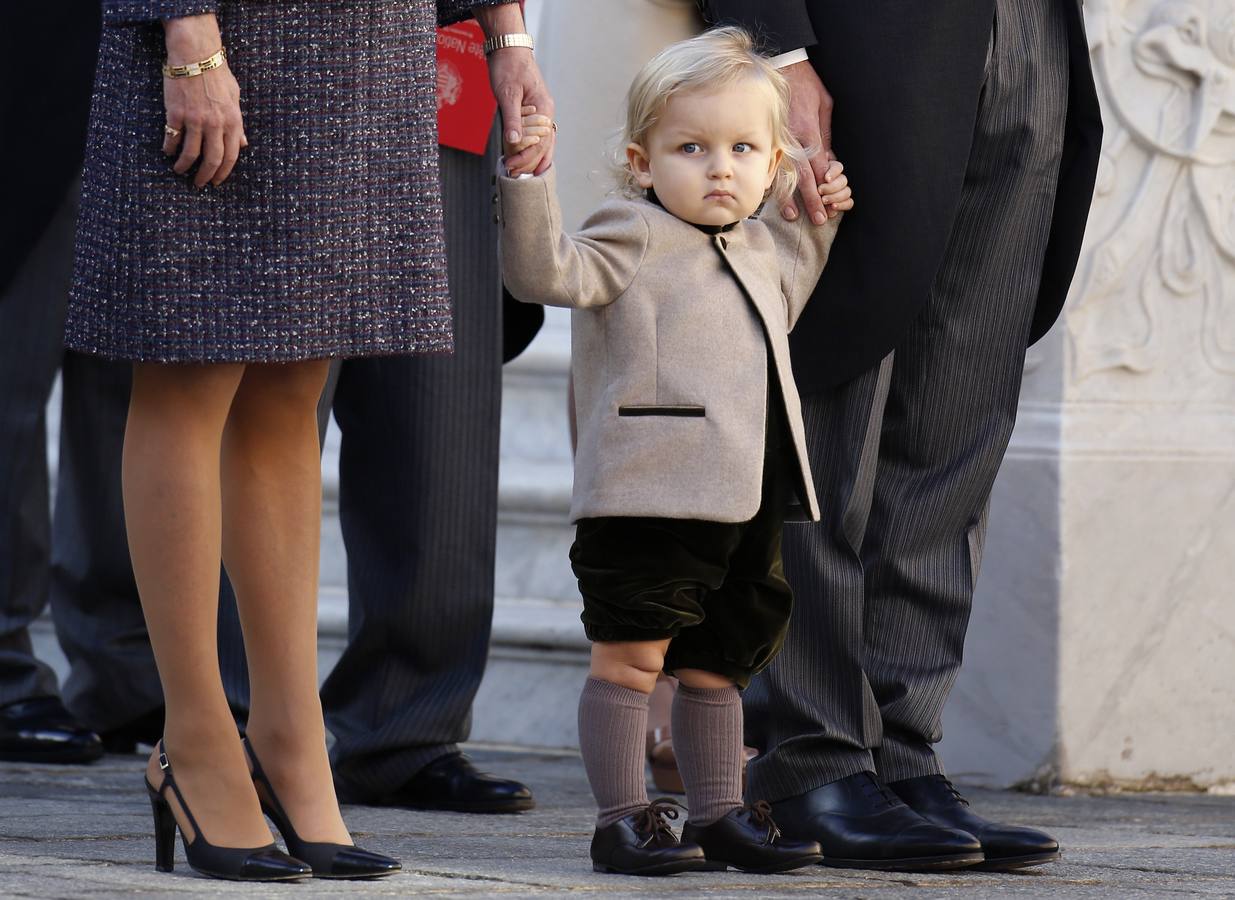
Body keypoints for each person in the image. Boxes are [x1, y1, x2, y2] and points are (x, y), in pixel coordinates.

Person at [67, 0, 552, 881]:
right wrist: (185, 33)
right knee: (188, 365)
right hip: (221, 36)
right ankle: (197, 740)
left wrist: (505, 33)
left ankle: (291, 740)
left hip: (371, 40)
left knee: (294, 382)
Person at [702, 0, 1102, 871]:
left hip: (1031, 38)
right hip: (860, 43)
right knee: (829, 410)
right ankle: (812, 761)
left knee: (957, 426)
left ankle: (901, 753)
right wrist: (776, 49)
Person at [498, 27, 853, 876]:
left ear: (772, 167)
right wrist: (526, 181)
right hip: (648, 490)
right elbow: (543, 274)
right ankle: (623, 818)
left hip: (746, 493)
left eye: (741, 149)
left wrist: (820, 215)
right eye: (690, 148)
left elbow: (786, 301)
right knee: (631, 656)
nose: (719, 167)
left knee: (720, 666)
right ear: (641, 160)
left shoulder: (763, 244)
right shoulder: (628, 231)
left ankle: (720, 811)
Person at [0, 2, 108, 766]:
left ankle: (132, 672)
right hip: (31, 54)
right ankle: (5, 670)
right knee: (11, 386)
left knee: (148, 387)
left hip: (170, 63)